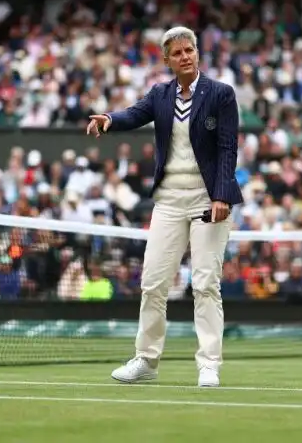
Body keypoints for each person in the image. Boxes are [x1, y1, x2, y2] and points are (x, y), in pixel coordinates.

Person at [87, 26, 243, 387]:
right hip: (169, 202)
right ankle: (146, 360)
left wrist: (221, 194)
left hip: (209, 200)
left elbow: (227, 148)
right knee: (153, 282)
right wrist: (109, 120)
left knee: (205, 283)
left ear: (197, 53)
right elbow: (133, 114)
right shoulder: (159, 94)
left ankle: (209, 365)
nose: (185, 56)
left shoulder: (221, 94)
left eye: (190, 50)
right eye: (178, 53)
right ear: (167, 60)